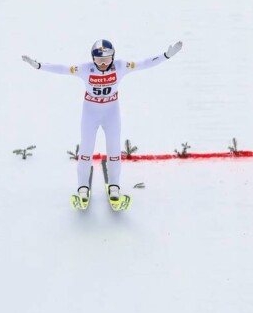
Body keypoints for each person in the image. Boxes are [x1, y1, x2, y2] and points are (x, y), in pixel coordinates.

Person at [22, 39, 183, 204]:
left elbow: (143, 64)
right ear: (93, 58)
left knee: (114, 150)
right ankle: (83, 188)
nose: (104, 63)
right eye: (99, 59)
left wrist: (165, 56)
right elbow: (63, 69)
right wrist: (39, 65)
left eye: (107, 58)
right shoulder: (85, 69)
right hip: (90, 112)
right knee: (86, 150)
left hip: (111, 112)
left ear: (113, 57)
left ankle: (114, 186)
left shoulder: (120, 66)